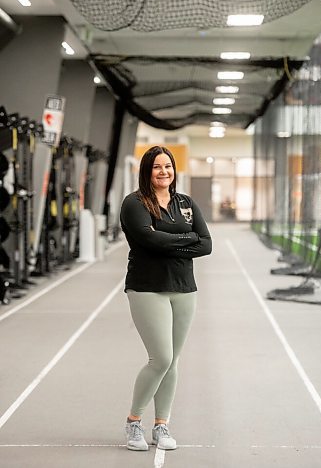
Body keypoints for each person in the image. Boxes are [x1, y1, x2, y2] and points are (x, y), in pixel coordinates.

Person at [120, 145, 212, 451]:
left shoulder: (185, 203)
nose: (164, 172)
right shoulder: (134, 203)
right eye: (157, 167)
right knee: (160, 358)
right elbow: (148, 239)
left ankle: (161, 426)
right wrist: (187, 239)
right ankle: (134, 423)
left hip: (184, 288)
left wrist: (168, 242)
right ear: (147, 171)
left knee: (172, 362)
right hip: (147, 287)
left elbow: (206, 244)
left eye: (168, 167)